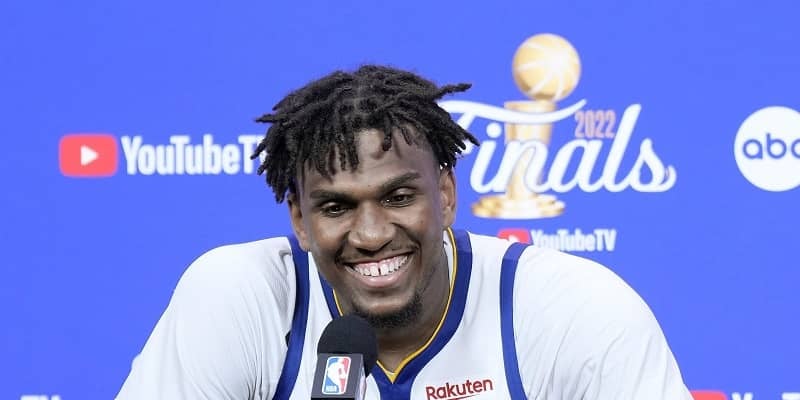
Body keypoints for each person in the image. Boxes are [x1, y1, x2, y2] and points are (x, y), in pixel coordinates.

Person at [116, 65, 693, 399]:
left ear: (446, 195)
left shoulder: (573, 310)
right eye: (337, 207)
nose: (370, 234)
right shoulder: (239, 296)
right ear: (299, 221)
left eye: (398, 197)